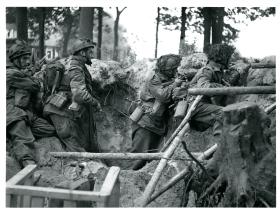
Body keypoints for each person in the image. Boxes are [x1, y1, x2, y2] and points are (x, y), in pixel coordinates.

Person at [43, 38, 101, 153]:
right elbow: (79, 94)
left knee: (80, 144)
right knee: (75, 146)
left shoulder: (76, 65)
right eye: (90, 52)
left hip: (63, 110)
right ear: (82, 53)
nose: (92, 55)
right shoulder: (75, 67)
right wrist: (95, 102)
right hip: (59, 111)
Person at [6, 40, 56, 168]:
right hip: (12, 112)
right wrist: (34, 73)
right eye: (24, 59)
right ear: (15, 59)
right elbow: (33, 85)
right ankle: (27, 165)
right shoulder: (10, 73)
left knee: (49, 129)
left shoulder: (19, 71)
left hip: (25, 112)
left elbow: (27, 77)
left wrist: (33, 70)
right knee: (24, 139)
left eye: (28, 58)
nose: (28, 62)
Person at [173, 43, 236, 142]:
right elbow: (203, 87)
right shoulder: (207, 70)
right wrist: (221, 87)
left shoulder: (217, 71)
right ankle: (220, 145)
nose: (231, 59)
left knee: (222, 116)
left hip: (202, 105)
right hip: (195, 105)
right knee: (224, 113)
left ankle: (218, 144)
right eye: (229, 57)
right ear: (223, 57)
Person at [129, 54, 182, 170]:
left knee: (151, 157)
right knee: (138, 158)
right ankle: (127, 181)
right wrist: (175, 84)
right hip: (146, 123)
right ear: (168, 69)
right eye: (174, 69)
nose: (176, 71)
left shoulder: (168, 79)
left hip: (157, 124)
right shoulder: (154, 78)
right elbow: (163, 96)